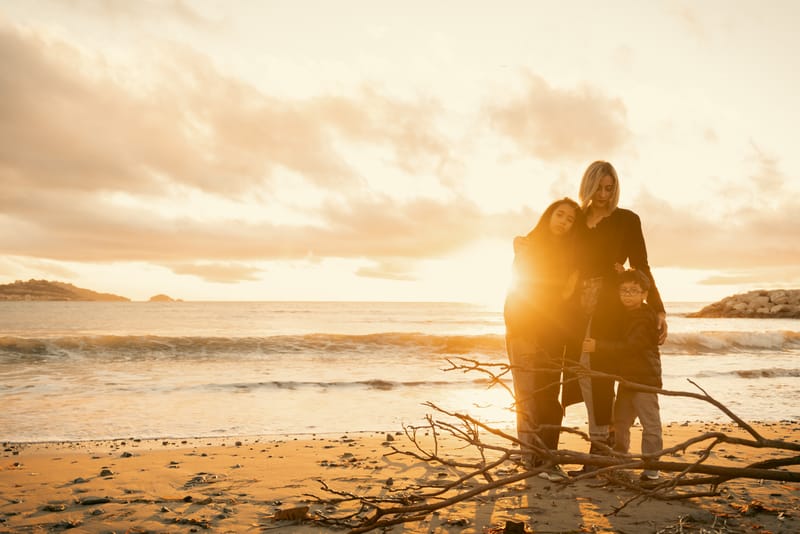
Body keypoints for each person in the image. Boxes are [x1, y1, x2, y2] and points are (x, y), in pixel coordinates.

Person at [562, 160, 667, 475]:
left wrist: (659, 308)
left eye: (610, 188)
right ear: (588, 186)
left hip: (610, 306)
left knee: (602, 376)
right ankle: (603, 451)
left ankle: (601, 453)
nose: (604, 194)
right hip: (575, 309)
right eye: (599, 188)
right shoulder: (577, 220)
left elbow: (642, 266)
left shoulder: (627, 220)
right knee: (583, 376)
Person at [504, 197, 583, 481]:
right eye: (559, 215)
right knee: (528, 396)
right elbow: (520, 287)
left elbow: (564, 297)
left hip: (554, 332)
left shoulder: (571, 254)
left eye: (570, 219)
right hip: (525, 329)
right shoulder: (528, 245)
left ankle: (547, 457)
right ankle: (532, 458)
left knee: (550, 397)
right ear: (548, 216)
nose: (563, 221)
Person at [582, 269, 663, 482]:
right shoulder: (625, 314)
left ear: (645, 294)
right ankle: (622, 458)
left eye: (634, 291)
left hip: (644, 380)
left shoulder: (645, 317)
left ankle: (652, 467)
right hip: (628, 380)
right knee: (620, 422)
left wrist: (598, 346)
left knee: (650, 424)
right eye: (624, 290)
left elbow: (632, 346)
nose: (628, 295)